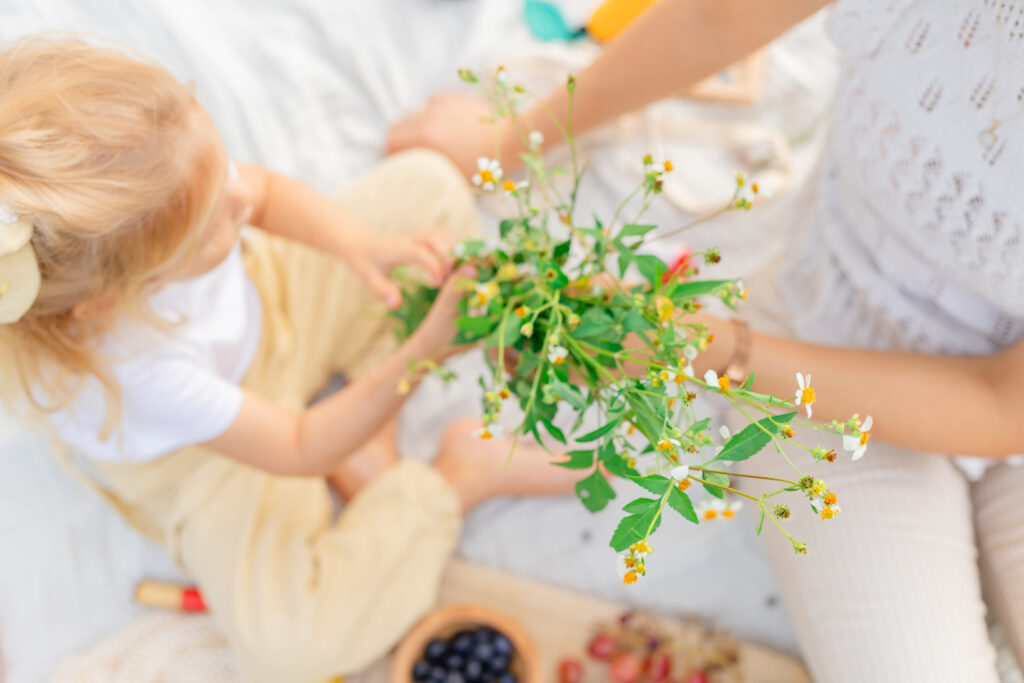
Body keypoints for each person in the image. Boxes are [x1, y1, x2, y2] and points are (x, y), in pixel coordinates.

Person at [387, 0, 1024, 680]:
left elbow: (999, 402)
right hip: (825, 336)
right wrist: (517, 138)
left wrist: (707, 349)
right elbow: (715, 18)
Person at [0, 35, 577, 683]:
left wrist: (358, 243)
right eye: (211, 225)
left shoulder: (166, 174)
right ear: (105, 302)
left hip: (270, 300)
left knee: (430, 187)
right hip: (215, 457)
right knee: (292, 646)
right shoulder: (137, 374)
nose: (241, 204)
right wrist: (425, 350)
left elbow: (267, 194)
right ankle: (455, 475)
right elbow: (299, 445)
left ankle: (364, 430)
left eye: (224, 177)